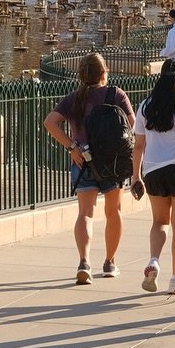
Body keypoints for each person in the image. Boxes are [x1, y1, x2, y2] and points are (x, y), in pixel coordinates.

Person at [44, 51, 135, 286]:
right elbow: (133, 123)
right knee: (113, 212)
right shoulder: (116, 94)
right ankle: (110, 262)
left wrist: (72, 145)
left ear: (81, 76)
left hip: (83, 160)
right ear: (104, 73)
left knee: (85, 214)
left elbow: (50, 122)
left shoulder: (75, 98)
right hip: (113, 162)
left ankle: (84, 262)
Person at [134, 58, 175, 296]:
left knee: (159, 221)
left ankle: (154, 261)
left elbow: (138, 145)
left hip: (153, 170)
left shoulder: (146, 106)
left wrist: (135, 176)